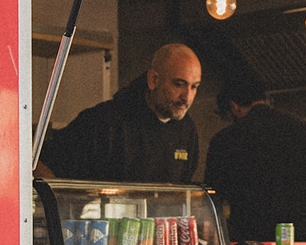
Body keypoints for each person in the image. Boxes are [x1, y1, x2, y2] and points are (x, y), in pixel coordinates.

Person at [40, 42, 202, 182]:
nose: (186, 97)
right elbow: (37, 163)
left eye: (194, 87)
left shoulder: (187, 130)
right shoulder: (103, 122)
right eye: (179, 84)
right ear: (153, 80)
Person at [205, 70, 306, 242]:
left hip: (251, 241)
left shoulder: (225, 140)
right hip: (301, 239)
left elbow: (213, 200)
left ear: (234, 106)